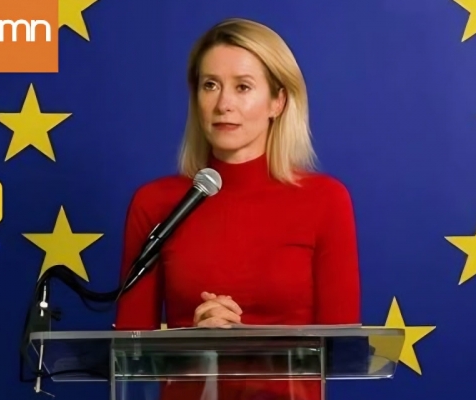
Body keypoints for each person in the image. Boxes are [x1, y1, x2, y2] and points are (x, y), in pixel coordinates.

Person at [114, 17, 361, 400]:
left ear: (278, 101)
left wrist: (241, 343)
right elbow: (129, 358)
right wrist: (194, 342)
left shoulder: (325, 200)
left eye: (242, 87)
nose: (223, 104)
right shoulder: (155, 203)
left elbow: (340, 352)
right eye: (210, 85)